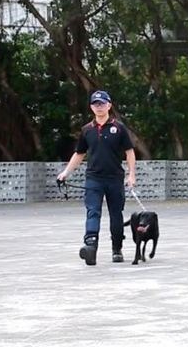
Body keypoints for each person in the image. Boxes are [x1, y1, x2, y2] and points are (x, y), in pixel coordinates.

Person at [57, 90, 137, 266]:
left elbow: (129, 152)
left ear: (109, 105)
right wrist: (65, 173)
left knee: (116, 214)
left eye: (102, 104)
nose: (99, 107)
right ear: (91, 107)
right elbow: (79, 154)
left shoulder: (119, 128)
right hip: (94, 178)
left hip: (115, 178)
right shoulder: (87, 130)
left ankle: (117, 249)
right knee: (93, 211)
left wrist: (131, 175)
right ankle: (90, 247)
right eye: (95, 104)